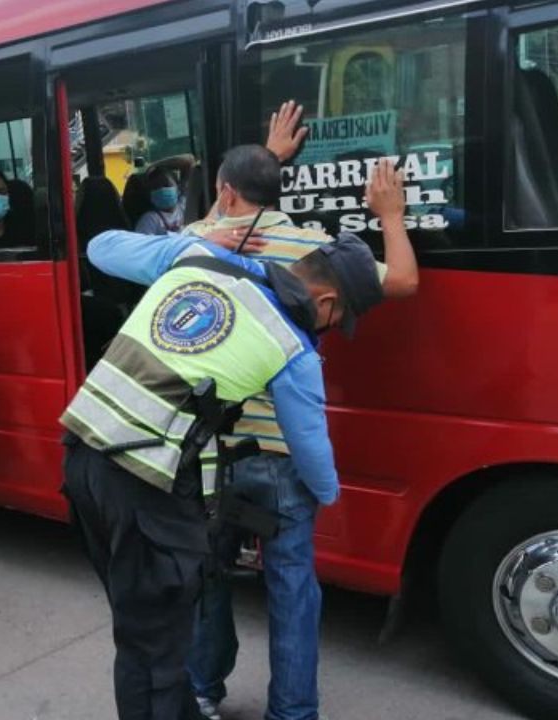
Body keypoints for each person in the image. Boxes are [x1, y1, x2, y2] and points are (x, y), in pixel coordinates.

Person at [63, 184, 389, 719]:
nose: (331, 331)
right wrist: (328, 494)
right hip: (144, 484)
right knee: (158, 646)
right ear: (327, 303)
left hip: (80, 456)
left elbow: (100, 247)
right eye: (338, 322)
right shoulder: (293, 348)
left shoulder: (200, 255)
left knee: (142, 627)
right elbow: (310, 448)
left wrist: (199, 231)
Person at [179, 108, 418, 720]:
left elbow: (226, 206)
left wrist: (267, 158)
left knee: (207, 579)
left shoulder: (201, 244)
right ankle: (292, 713)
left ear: (224, 190)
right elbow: (404, 283)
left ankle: (202, 689)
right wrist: (389, 214)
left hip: (213, 452)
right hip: (285, 455)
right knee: (292, 592)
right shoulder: (314, 252)